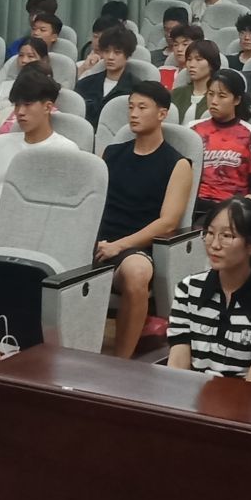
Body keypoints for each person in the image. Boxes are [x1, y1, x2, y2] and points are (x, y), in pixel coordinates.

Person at [96, 81, 194, 357]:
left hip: (135, 247)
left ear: (162, 114)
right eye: (131, 107)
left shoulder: (177, 164)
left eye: (142, 107)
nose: (134, 114)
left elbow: (168, 223)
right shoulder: (111, 153)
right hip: (97, 239)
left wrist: (119, 245)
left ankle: (121, 360)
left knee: (137, 272)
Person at [166, 195, 251, 381]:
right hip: (191, 394)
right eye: (210, 233)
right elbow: (177, 368)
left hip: (247, 397)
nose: (214, 245)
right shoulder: (188, 290)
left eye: (227, 236)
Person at [0, 66, 82, 218]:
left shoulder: (66, 151)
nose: (20, 112)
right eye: (17, 105)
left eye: (27, 104)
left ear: (47, 107)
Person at [190, 69, 251, 217]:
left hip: (231, 209)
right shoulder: (192, 130)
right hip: (192, 205)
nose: (214, 101)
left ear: (237, 100)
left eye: (222, 96)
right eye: (210, 94)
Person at [75, 22, 138, 127]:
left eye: (117, 52)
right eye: (107, 51)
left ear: (127, 55)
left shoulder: (136, 88)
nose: (110, 57)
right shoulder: (85, 84)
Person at [171, 38, 221, 119]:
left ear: (212, 63)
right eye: (189, 59)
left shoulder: (218, 97)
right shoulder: (176, 94)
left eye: (198, 59)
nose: (192, 65)